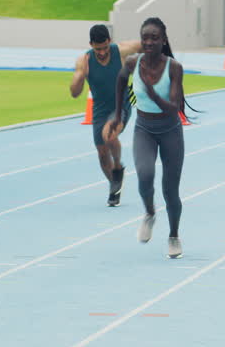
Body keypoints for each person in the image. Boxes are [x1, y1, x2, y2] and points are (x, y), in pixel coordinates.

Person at [115, 17, 190, 259]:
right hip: (144, 128)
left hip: (170, 130)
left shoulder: (174, 67)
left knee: (170, 190)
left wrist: (150, 92)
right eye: (145, 37)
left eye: (154, 38)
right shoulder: (132, 62)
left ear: (164, 40)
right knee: (145, 175)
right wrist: (118, 114)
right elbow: (120, 80)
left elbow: (173, 106)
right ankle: (149, 213)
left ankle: (174, 235)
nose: (149, 42)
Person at [69, 24, 140, 207]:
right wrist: (81, 76)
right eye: (97, 49)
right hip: (100, 110)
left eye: (105, 48)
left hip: (121, 105)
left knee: (108, 134)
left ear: (110, 41)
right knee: (102, 154)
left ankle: (118, 167)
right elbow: (74, 93)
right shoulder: (83, 61)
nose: (101, 52)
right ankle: (114, 186)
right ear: (91, 44)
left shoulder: (122, 51)